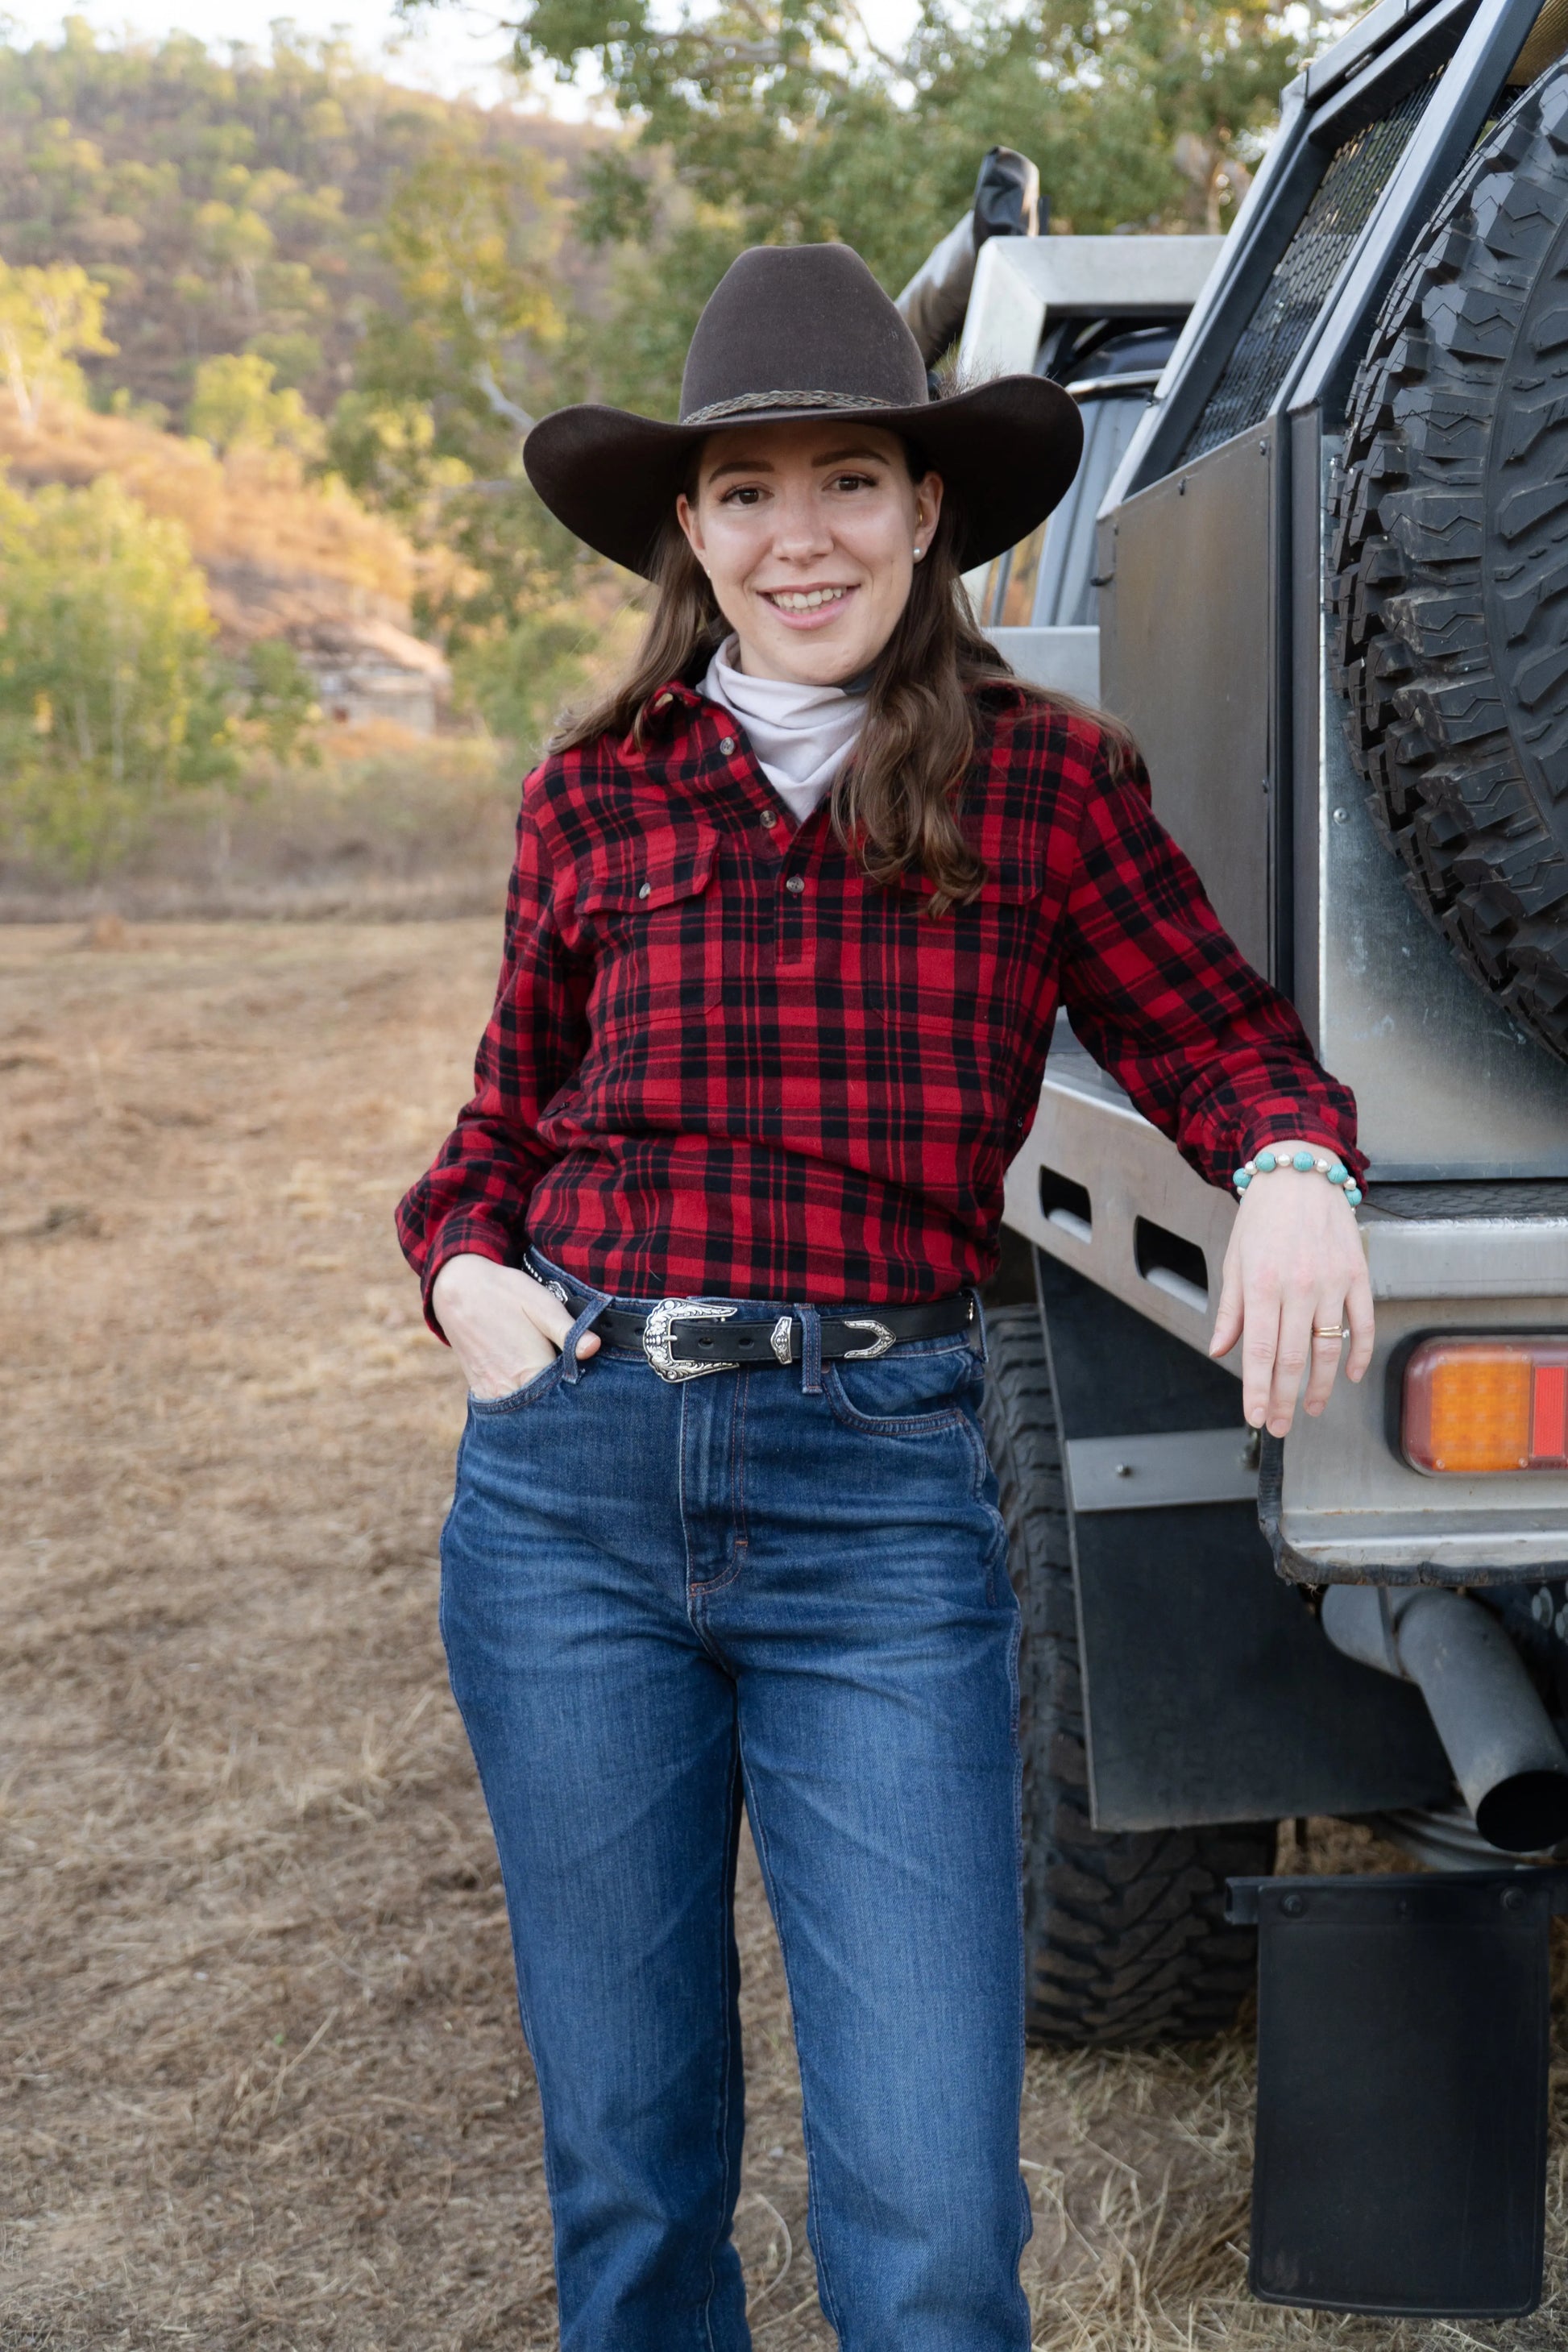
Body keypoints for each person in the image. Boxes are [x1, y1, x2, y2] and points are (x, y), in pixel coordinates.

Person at [396, 242, 1371, 2352]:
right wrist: (466, 1276)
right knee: (633, 2166)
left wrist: (1291, 1168)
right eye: (745, 492)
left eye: (848, 480)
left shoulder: (1037, 784)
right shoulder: (594, 795)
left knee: (930, 2217)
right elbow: (485, 1147)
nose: (797, 534)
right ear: (687, 525)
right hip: (568, 1491)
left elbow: (1222, 1042)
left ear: (930, 511)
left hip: (877, 1509)